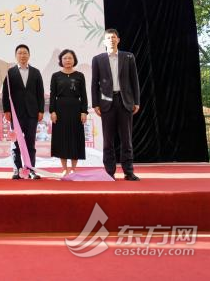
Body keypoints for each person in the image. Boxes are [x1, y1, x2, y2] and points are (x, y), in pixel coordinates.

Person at [91, 29, 141, 181]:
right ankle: (109, 172)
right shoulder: (98, 59)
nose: (111, 40)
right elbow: (94, 83)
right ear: (104, 41)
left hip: (125, 101)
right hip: (106, 103)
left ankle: (128, 171)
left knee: (127, 139)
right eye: (108, 38)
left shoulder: (128, 57)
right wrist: (95, 104)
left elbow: (134, 81)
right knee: (108, 140)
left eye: (113, 37)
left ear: (118, 40)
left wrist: (137, 101)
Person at [2, 44, 45, 180]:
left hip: (32, 113)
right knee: (16, 143)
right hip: (16, 114)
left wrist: (41, 110)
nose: (22, 55)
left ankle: (31, 170)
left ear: (29, 55)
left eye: (25, 53)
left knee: (30, 142)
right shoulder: (10, 72)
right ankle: (17, 169)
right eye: (20, 53)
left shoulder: (36, 72)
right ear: (16, 56)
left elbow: (40, 93)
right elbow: (5, 93)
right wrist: (6, 110)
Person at [49, 49, 88, 176]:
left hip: (76, 110)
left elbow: (84, 95)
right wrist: (52, 111)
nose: (67, 60)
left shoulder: (80, 75)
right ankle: (65, 168)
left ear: (74, 60)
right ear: (61, 60)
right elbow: (52, 95)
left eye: (70, 58)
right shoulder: (55, 76)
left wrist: (84, 112)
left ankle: (74, 169)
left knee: (75, 138)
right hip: (60, 110)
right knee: (62, 138)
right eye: (65, 58)